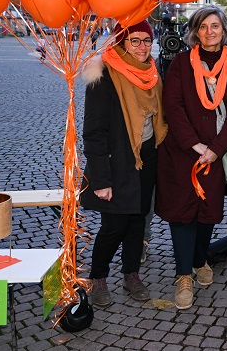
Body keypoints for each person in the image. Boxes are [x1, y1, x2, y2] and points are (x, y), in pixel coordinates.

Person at [156, 6, 227, 310]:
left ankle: (198, 259)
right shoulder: (181, 63)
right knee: (182, 215)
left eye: (216, 26)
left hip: (215, 155)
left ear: (225, 32)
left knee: (207, 213)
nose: (210, 32)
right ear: (195, 32)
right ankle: (184, 275)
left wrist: (216, 149)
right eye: (204, 27)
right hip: (182, 154)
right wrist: (195, 145)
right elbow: (173, 105)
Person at [80, 20, 168, 308]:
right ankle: (98, 277)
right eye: (135, 41)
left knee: (138, 220)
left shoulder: (152, 72)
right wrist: (101, 180)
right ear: (121, 43)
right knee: (114, 225)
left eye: (146, 40)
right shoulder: (104, 74)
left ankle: (131, 274)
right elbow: (93, 132)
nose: (142, 47)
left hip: (146, 158)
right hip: (116, 162)